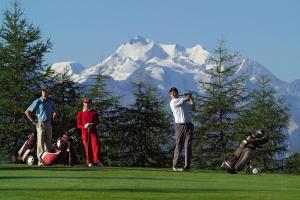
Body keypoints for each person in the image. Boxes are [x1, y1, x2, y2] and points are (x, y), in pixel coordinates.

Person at [24, 86, 57, 166]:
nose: (44, 93)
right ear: (42, 92)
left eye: (46, 91)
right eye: (43, 91)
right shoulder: (38, 101)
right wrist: (33, 121)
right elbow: (27, 112)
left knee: (48, 142)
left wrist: (53, 118)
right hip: (40, 123)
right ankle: (40, 161)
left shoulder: (51, 101)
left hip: (49, 123)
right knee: (40, 143)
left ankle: (47, 160)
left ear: (48, 92)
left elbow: (55, 111)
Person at [169, 87, 195, 171]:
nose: (173, 94)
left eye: (175, 92)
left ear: (177, 93)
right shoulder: (173, 101)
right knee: (179, 145)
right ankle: (175, 166)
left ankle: (187, 166)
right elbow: (187, 99)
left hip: (189, 125)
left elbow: (193, 106)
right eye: (172, 93)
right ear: (170, 95)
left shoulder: (182, 101)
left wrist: (191, 97)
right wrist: (188, 95)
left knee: (188, 146)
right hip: (180, 126)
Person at [77, 98, 104, 167]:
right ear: (83, 103)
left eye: (88, 103)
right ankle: (89, 162)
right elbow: (78, 125)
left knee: (95, 146)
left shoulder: (94, 112)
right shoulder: (80, 113)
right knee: (87, 147)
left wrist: (92, 124)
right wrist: (84, 126)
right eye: (85, 103)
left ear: (90, 104)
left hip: (93, 132)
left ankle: (97, 161)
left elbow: (97, 121)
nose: (87, 104)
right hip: (85, 132)